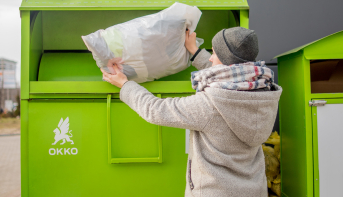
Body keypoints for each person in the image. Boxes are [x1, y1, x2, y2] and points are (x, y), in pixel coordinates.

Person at [101, 27, 282, 197]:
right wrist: (194, 51)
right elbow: (226, 74)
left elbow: (155, 109)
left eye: (214, 53)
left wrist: (125, 84)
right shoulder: (264, 91)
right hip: (253, 190)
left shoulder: (210, 106)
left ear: (226, 61)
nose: (211, 58)